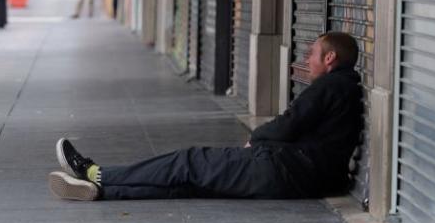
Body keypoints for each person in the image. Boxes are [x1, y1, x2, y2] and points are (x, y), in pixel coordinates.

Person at [48, 31, 363, 201]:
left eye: (313, 54)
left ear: (331, 58)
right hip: (300, 177)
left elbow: (290, 123)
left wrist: (256, 138)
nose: (307, 59)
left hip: (283, 170)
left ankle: (96, 174)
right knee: (191, 184)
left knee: (188, 163)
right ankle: (103, 191)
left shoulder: (330, 87)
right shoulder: (344, 88)